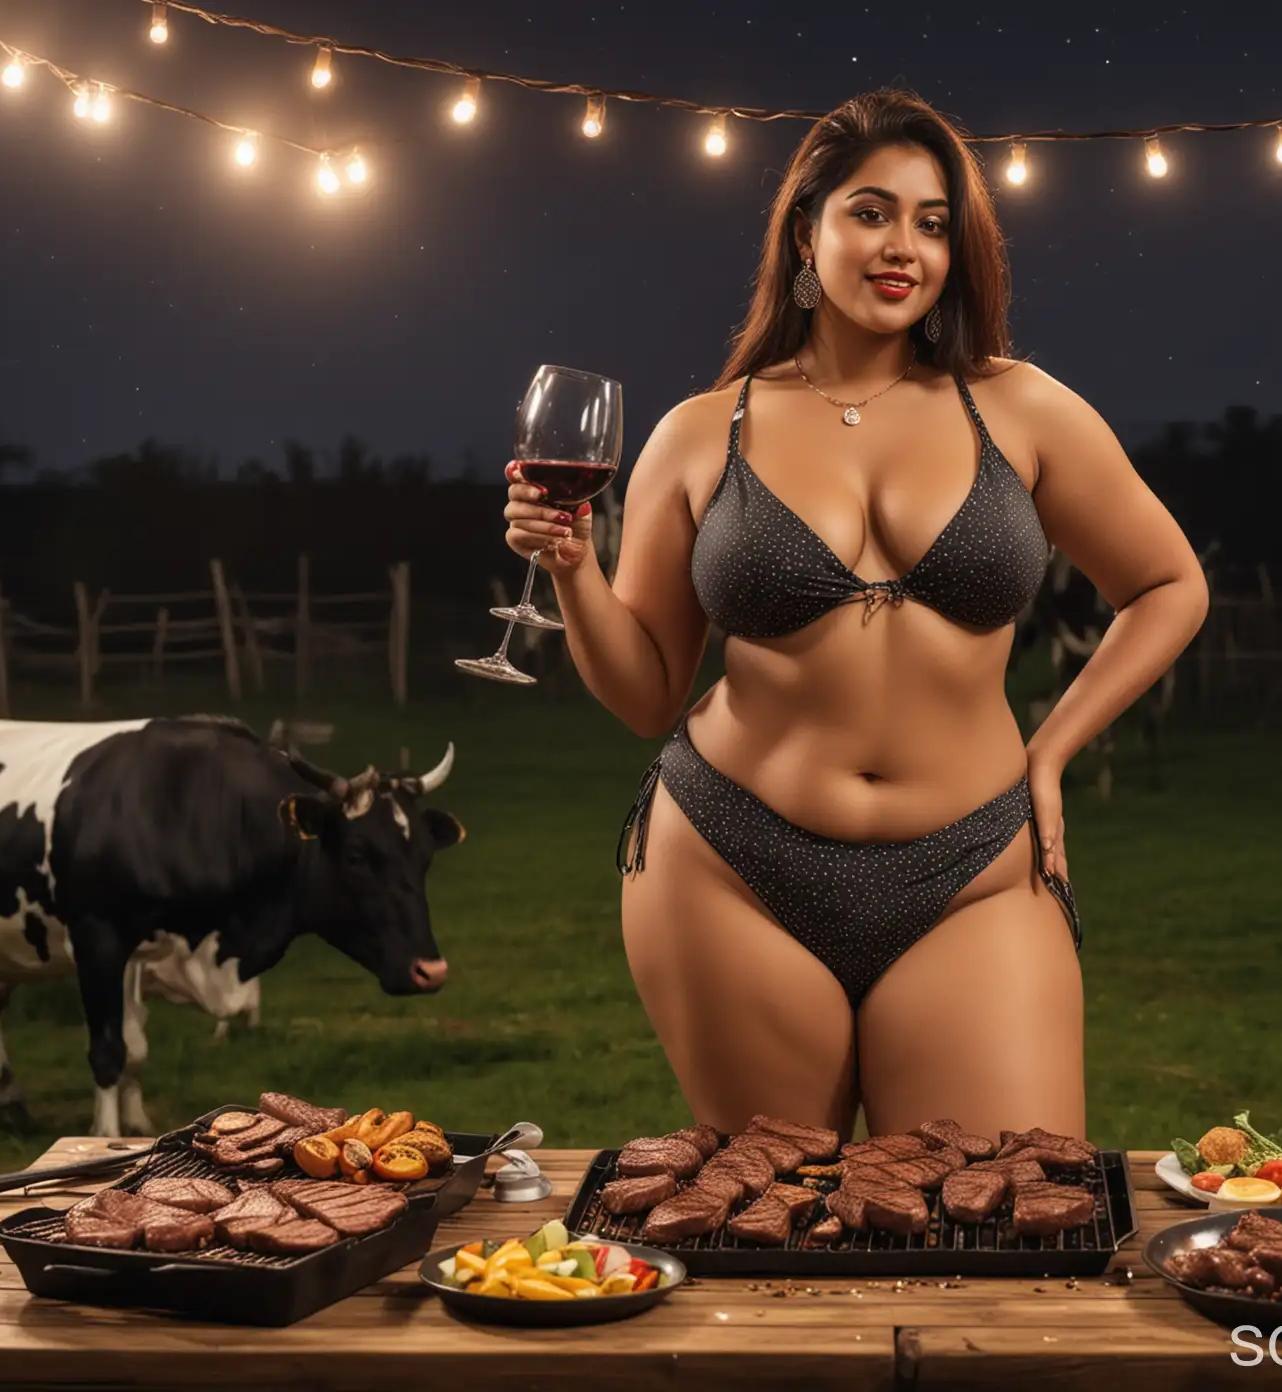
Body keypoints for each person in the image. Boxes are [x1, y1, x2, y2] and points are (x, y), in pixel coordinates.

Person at [499, 89, 1208, 1141]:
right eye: (871, 212)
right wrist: (570, 572)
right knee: (776, 1227)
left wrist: (1051, 753)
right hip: (730, 867)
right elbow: (648, 692)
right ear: (805, 229)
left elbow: (1169, 586)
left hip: (975, 871)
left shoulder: (1021, 407)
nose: (904, 249)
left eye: (932, 223)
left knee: (1006, 1215)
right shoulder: (701, 434)